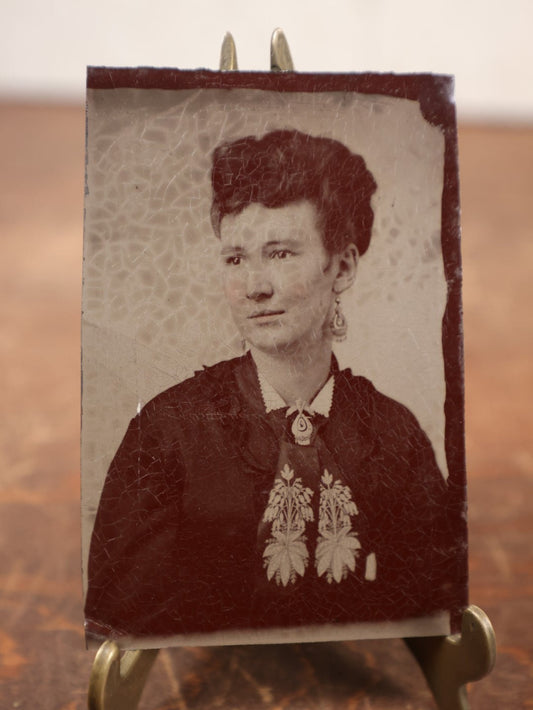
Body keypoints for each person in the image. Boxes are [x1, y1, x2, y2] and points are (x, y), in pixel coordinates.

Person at [85, 130, 462, 643]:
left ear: (343, 266)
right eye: (236, 258)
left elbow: (432, 611)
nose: (255, 287)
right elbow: (120, 627)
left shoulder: (394, 435)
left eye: (281, 253)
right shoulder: (168, 431)